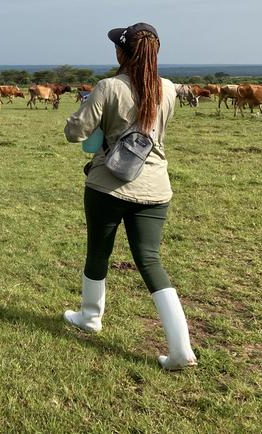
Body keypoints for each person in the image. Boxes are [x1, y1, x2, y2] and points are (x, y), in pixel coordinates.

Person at [62, 23, 197, 371]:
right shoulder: (167, 89)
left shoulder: (108, 87)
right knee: (150, 260)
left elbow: (75, 132)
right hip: (155, 187)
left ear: (123, 53)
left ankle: (90, 317)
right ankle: (181, 347)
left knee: (98, 252)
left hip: (108, 184)